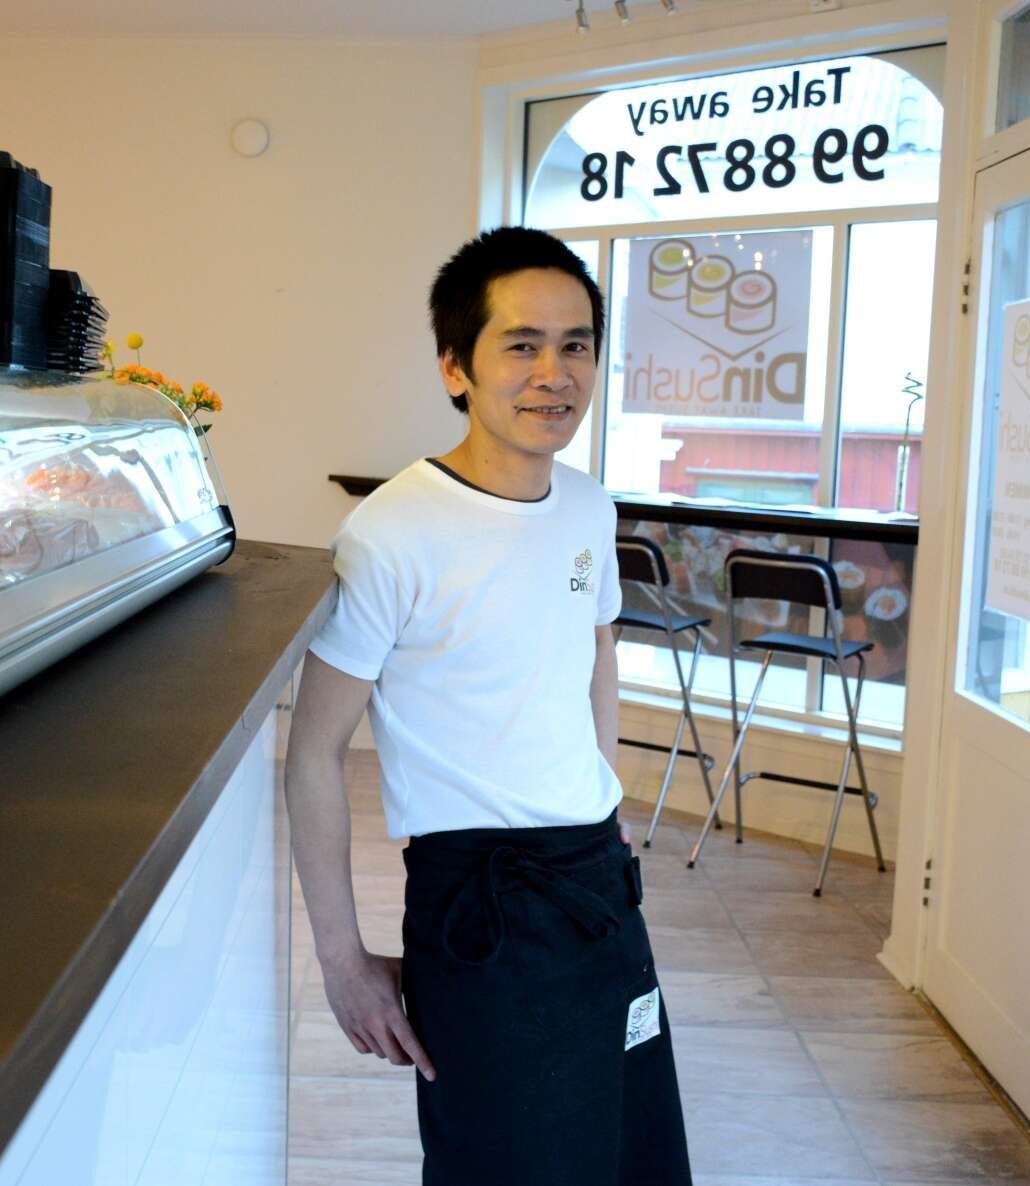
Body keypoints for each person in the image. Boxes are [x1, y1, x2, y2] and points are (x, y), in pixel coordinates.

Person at [285, 227, 692, 1184]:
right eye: (522, 345)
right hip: (479, 903)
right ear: (454, 368)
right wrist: (342, 962)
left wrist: (607, 800)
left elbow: (595, 652)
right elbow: (312, 754)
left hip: (597, 882)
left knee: (633, 1156)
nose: (555, 373)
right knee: (507, 1164)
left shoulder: (589, 506)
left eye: (577, 344)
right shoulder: (390, 533)